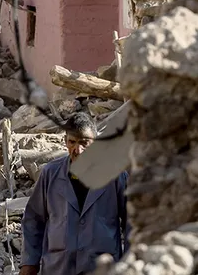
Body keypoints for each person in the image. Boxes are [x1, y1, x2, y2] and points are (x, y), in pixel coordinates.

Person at [19, 112, 130, 275]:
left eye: (84, 143)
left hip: (101, 267)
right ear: (65, 141)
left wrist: (130, 262)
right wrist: (30, 262)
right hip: (59, 266)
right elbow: (34, 219)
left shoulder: (115, 176)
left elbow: (131, 222)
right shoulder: (51, 173)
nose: (78, 149)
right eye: (72, 142)